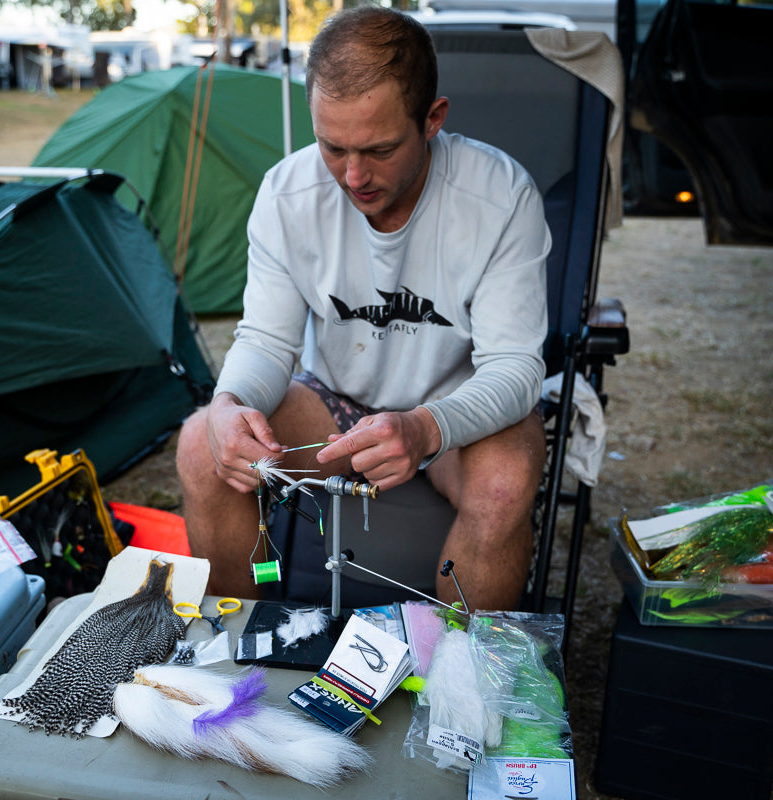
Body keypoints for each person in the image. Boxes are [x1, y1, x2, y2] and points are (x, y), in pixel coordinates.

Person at [176, 6, 550, 610]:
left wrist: (426, 426)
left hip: (456, 413)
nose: (353, 177)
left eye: (378, 149)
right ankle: (236, 651)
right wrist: (228, 404)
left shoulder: (501, 196)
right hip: (335, 406)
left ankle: (465, 683)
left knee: (505, 483)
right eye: (332, 147)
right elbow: (267, 341)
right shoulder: (287, 193)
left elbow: (515, 368)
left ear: (433, 119)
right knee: (201, 443)